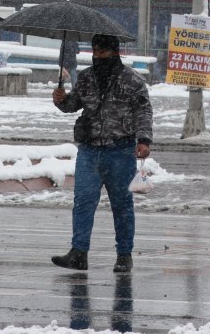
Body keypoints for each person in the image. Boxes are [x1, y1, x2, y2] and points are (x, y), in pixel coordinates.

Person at [51, 33, 153, 273]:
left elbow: (143, 111)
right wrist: (61, 100)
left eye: (103, 52)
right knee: (83, 202)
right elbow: (72, 105)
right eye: (95, 52)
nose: (98, 56)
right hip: (89, 150)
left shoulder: (132, 80)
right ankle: (78, 253)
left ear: (115, 52)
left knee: (122, 205)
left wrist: (144, 139)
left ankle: (124, 255)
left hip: (120, 150)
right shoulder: (86, 78)